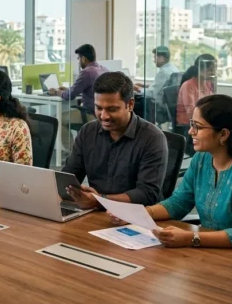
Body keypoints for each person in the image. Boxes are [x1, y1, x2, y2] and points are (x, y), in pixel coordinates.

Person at [117, 95, 232, 249]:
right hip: (216, 252)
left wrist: (191, 238)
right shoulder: (202, 159)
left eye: (198, 127)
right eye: (192, 124)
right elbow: (179, 203)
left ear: (223, 134)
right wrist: (141, 214)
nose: (191, 132)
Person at [62, 72, 167, 209]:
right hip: (95, 212)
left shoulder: (152, 138)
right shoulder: (88, 131)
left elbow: (147, 194)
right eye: (99, 108)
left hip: (137, 217)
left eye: (112, 109)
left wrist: (99, 200)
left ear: (130, 105)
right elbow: (69, 175)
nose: (104, 116)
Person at [48, 44, 109, 110]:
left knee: (58, 117)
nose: (78, 62)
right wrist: (69, 89)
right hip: (102, 111)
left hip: (90, 113)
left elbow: (69, 95)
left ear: (83, 59)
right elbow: (84, 89)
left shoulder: (87, 72)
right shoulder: (104, 69)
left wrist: (56, 92)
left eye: (78, 58)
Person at [134, 46, 180, 122]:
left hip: (157, 107)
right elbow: (162, 87)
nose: (154, 60)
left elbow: (151, 93)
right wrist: (143, 85)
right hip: (167, 105)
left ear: (162, 58)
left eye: (155, 57)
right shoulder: (173, 68)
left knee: (130, 105)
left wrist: (135, 87)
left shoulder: (164, 72)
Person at [176, 54, 217, 127]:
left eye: (214, 69)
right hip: (188, 124)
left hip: (203, 119)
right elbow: (191, 113)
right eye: (210, 70)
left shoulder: (208, 84)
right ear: (200, 70)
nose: (213, 73)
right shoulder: (188, 85)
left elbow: (212, 104)